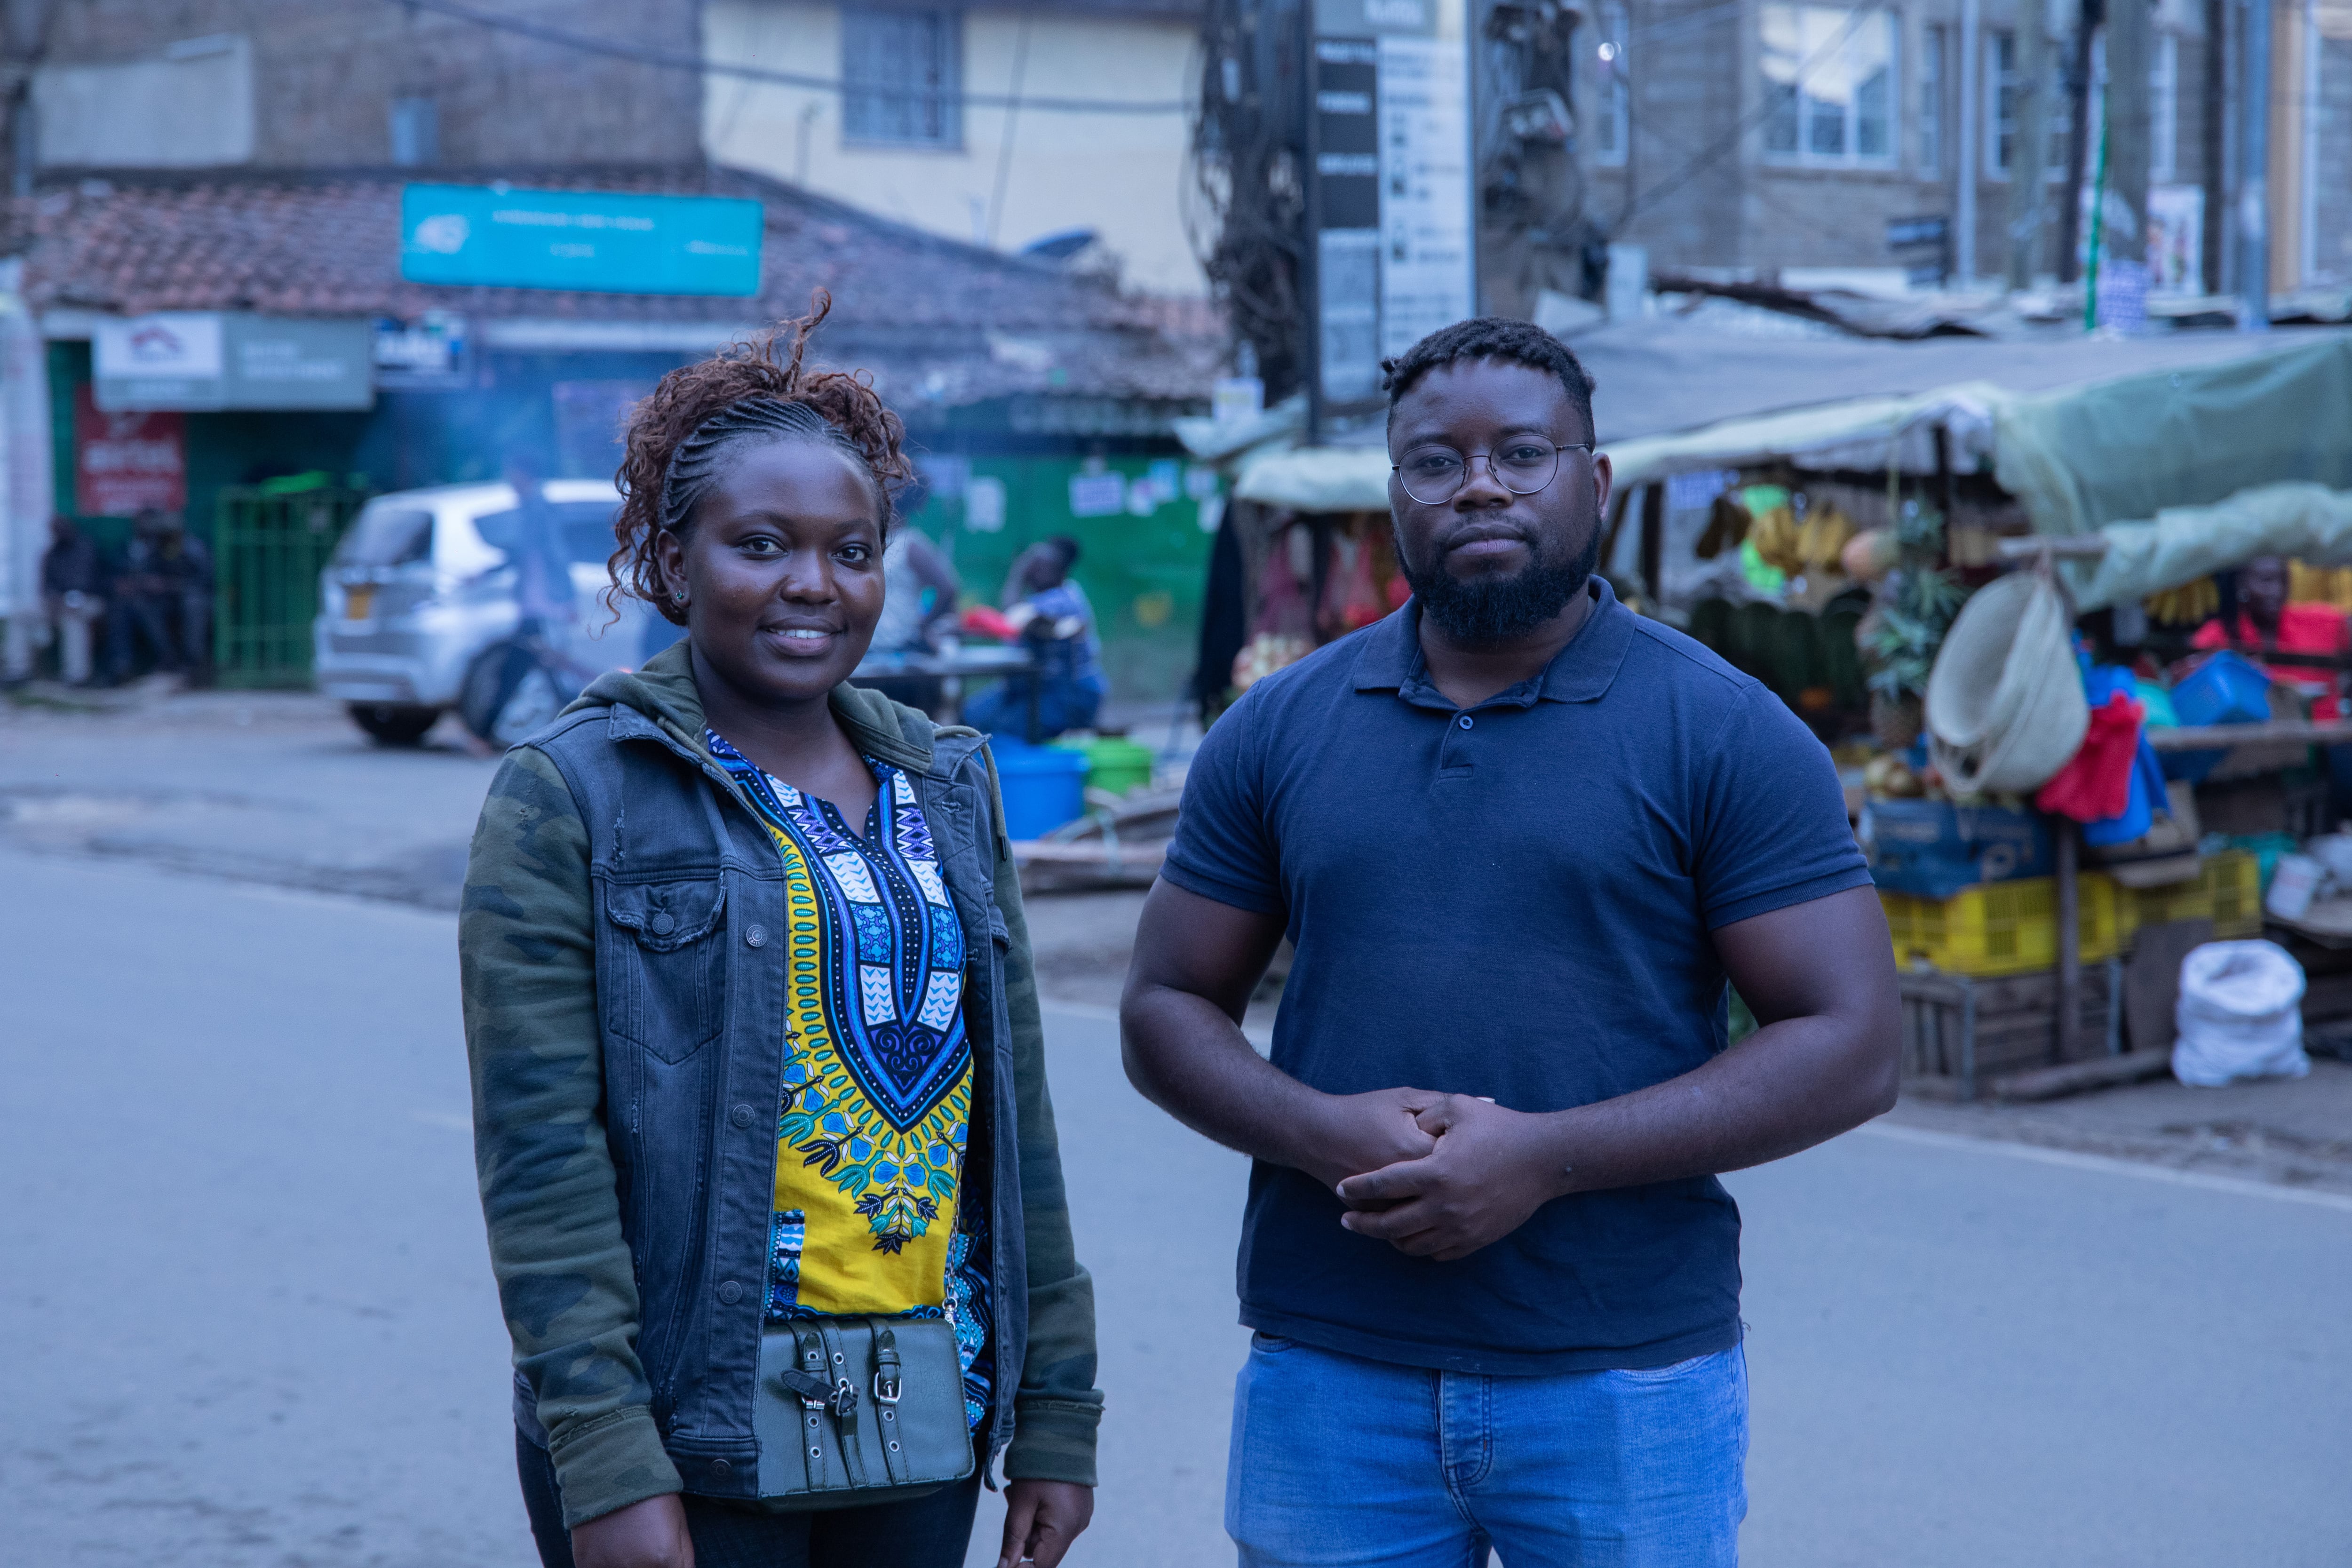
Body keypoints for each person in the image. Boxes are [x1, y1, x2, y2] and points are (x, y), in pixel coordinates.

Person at [1120, 318, 1900, 1568]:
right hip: (1333, 1364)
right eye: (1436, 461)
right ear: (1395, 497)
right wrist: (1322, 1132)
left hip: (1624, 1376)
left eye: (1522, 454)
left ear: (1596, 482)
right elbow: (1164, 1002)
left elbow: (1853, 1043)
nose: (1479, 482)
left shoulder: (1724, 731)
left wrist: (1547, 1156)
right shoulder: (1279, 728)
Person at [460, 297, 1100, 1568]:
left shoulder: (950, 784)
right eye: (762, 542)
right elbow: (542, 1158)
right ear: (672, 559)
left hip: (921, 1401)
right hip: (686, 1425)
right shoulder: (572, 793)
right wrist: (604, 1452)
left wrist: (1057, 1409)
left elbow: (1016, 1122)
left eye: (851, 550)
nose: (814, 582)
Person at [961, 537, 1106, 740]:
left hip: (1066, 696)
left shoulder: (1062, 600)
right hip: (1030, 689)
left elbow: (1010, 622)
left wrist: (1018, 573)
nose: (1034, 571)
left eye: (1041, 567)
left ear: (1060, 571)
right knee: (968, 716)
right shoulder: (1045, 597)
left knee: (991, 732)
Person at [2192, 554, 2350, 719]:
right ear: (2241, 585)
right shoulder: (2216, 636)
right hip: (2250, 739)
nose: (2277, 591)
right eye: (2266, 581)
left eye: (2284, 582)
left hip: (2326, 738)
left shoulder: (2318, 623)